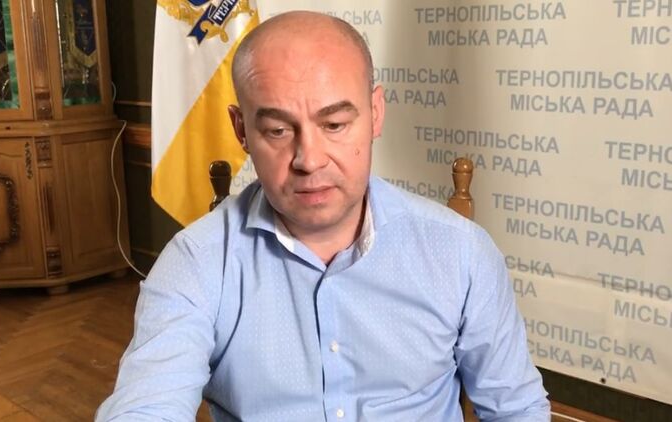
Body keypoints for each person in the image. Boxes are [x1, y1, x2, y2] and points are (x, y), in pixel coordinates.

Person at [97, 11, 550, 422]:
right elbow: (144, 406)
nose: (309, 160)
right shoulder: (197, 262)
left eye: (334, 125)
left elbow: (518, 410)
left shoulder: (460, 251)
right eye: (277, 130)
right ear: (241, 131)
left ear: (375, 114)